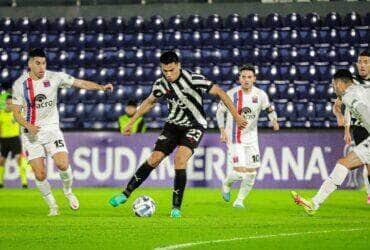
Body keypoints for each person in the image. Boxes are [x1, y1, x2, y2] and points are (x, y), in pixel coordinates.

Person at [109, 51, 247, 218]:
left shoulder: (193, 79)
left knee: (179, 160)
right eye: (165, 71)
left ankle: (176, 207)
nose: (168, 74)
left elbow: (220, 93)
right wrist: (131, 122)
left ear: (179, 66)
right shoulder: (161, 84)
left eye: (171, 70)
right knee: (154, 158)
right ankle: (125, 193)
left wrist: (237, 116)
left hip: (194, 126)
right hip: (173, 126)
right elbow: (149, 102)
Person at [11, 48, 113, 216]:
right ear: (30, 64)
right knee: (40, 173)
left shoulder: (55, 77)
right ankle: (53, 206)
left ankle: (68, 191)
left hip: (51, 129)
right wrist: (28, 125)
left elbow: (80, 83)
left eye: (43, 63)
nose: (41, 67)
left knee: (62, 164)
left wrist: (101, 87)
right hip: (31, 133)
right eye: (37, 63)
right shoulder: (20, 85)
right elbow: (16, 113)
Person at [292, 69, 370, 215]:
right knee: (344, 163)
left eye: (334, 85)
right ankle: (314, 203)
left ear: (340, 84)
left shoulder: (349, 96)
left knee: (344, 163)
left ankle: (314, 203)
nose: (333, 89)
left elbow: (364, 112)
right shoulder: (362, 89)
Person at [217, 65, 279, 208]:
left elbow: (269, 109)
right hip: (235, 137)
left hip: (251, 138)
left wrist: (274, 120)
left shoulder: (260, 95)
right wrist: (222, 130)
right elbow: (220, 112)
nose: (246, 80)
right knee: (240, 173)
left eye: (249, 77)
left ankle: (239, 201)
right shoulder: (232, 94)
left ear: (254, 79)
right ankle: (226, 183)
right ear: (239, 78)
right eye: (243, 77)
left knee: (251, 173)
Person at [333, 50, 370, 203]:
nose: (362, 65)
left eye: (366, 62)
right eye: (360, 62)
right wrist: (341, 119)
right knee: (368, 165)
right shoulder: (351, 83)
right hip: (361, 128)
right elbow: (338, 106)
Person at [0, 95, 29, 188]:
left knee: (19, 160)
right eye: (7, 104)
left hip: (14, 139)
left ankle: (24, 183)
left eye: (10, 104)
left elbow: (26, 110)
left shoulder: (16, 113)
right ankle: (0, 183)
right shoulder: (1, 114)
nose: (9, 105)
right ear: (5, 104)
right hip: (4, 140)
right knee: (1, 161)